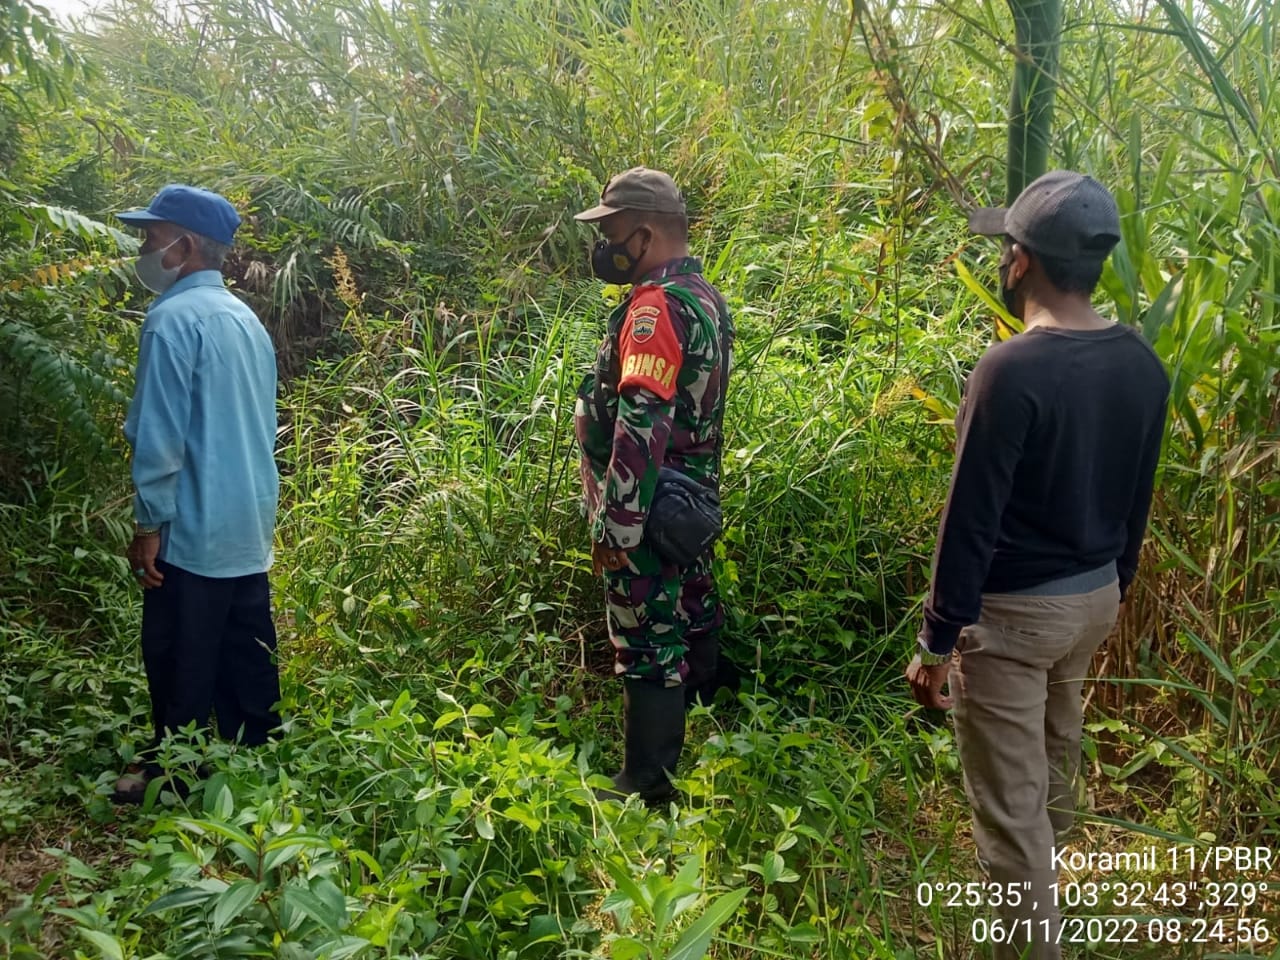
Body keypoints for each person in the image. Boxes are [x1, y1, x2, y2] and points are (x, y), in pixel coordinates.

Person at [906, 171, 1170, 959]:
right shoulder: (1141, 365)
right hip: (1093, 599)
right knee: (1055, 760)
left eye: (1006, 248)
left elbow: (971, 519)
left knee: (1010, 814)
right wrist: (1114, 586)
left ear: (1021, 262)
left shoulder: (1010, 371)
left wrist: (937, 640)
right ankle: (1047, 889)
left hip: (1018, 615)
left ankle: (1031, 940)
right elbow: (1138, 500)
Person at [111, 184, 281, 804]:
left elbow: (160, 440)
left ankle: (175, 776)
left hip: (194, 524)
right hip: (248, 519)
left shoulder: (171, 321)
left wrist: (148, 525)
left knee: (179, 647)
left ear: (184, 246)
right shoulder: (244, 319)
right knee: (245, 648)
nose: (144, 249)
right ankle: (254, 764)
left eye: (151, 238)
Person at [572, 167, 735, 805]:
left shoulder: (655, 308)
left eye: (612, 232)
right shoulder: (702, 295)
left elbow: (642, 418)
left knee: (644, 630)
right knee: (690, 601)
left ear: (643, 234)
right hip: (687, 495)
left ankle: (646, 782)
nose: (605, 245)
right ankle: (713, 725)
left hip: (650, 498)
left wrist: (617, 522)